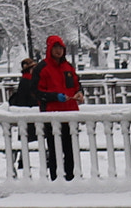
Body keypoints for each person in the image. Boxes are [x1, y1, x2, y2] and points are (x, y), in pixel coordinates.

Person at [34, 35, 80, 181]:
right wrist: (54, 96)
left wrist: (80, 93)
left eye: (61, 48)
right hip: (51, 114)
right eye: (55, 48)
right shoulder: (41, 68)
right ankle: (55, 178)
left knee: (70, 149)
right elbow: (36, 91)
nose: (58, 51)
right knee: (54, 150)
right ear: (49, 49)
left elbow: (77, 84)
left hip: (70, 114)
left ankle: (70, 177)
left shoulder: (68, 67)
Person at [5, 58, 40, 173]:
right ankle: (22, 161)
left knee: (25, 140)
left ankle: (21, 161)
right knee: (31, 139)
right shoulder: (28, 81)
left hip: (25, 114)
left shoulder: (25, 80)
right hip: (29, 114)